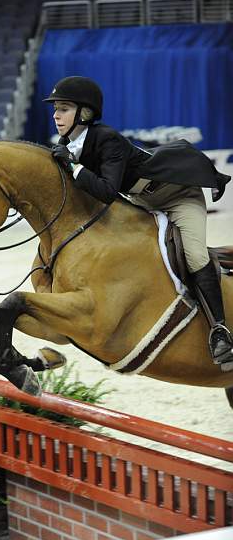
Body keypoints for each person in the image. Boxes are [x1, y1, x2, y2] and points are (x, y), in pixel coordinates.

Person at [45, 75, 233, 370]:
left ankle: (220, 331)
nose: (56, 114)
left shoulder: (107, 139)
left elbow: (106, 190)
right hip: (142, 201)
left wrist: (73, 166)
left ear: (86, 112)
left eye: (64, 108)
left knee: (194, 254)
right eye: (55, 107)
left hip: (179, 196)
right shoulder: (67, 142)